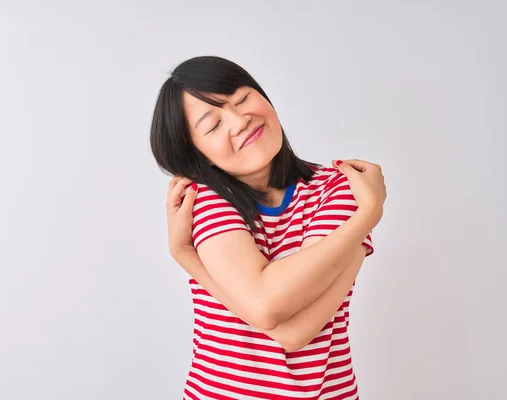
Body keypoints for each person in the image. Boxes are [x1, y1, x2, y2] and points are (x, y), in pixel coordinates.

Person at [150, 56, 386, 400]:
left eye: (242, 99)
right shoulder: (204, 198)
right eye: (212, 125)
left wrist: (188, 257)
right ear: (198, 154)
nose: (239, 120)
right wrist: (367, 216)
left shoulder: (337, 187)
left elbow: (294, 331)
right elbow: (267, 307)